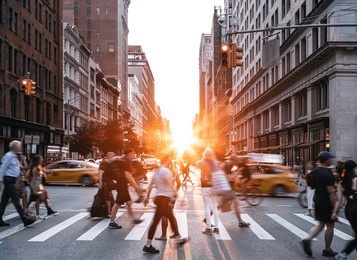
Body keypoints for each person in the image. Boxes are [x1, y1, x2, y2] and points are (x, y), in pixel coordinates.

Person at [143, 154, 182, 254]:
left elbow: (150, 185)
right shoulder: (166, 171)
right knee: (169, 218)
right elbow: (170, 184)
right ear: (167, 160)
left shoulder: (156, 171)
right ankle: (177, 237)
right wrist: (176, 194)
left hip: (159, 198)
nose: (170, 161)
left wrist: (147, 197)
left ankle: (148, 244)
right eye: (169, 160)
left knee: (163, 219)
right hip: (165, 198)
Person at [301, 151, 337, 257]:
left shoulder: (315, 171)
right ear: (326, 160)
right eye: (330, 159)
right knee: (330, 225)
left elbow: (311, 184)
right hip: (326, 202)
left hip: (318, 200)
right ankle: (327, 249)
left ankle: (308, 240)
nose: (332, 160)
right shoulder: (327, 173)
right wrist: (334, 206)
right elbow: (331, 192)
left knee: (321, 224)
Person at [0, 140, 36, 227]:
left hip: (12, 180)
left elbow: (22, 168)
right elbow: (2, 168)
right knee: (16, 200)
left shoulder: (14, 157)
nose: (20, 148)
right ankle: (25, 219)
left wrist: (23, 161)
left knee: (4, 202)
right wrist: (0, 181)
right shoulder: (9, 156)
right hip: (8, 180)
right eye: (19, 146)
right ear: (15, 147)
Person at [108, 148, 143, 229]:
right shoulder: (125, 163)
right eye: (133, 153)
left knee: (129, 203)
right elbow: (128, 176)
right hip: (122, 186)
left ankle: (134, 219)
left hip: (121, 185)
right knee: (117, 204)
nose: (134, 155)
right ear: (129, 154)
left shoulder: (123, 161)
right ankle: (112, 222)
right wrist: (136, 187)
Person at [333, 160, 357, 260]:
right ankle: (343, 253)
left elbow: (338, 200)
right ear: (353, 168)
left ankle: (343, 254)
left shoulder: (341, 183)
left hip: (349, 211)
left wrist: (335, 212)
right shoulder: (355, 179)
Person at [155, 160, 181, 240]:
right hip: (172, 195)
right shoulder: (174, 171)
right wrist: (175, 191)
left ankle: (163, 235)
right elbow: (179, 183)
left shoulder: (163, 172)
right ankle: (176, 233)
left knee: (164, 215)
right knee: (170, 214)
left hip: (165, 195)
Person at [196, 147, 219, 235]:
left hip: (205, 186)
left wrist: (204, 158)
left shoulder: (202, 162)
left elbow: (197, 163)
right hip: (214, 186)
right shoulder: (216, 162)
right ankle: (216, 228)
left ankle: (209, 228)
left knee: (207, 207)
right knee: (215, 207)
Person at [222, 155, 249, 227]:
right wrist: (237, 173)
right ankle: (240, 222)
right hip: (227, 189)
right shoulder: (227, 166)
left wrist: (235, 173)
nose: (236, 163)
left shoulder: (228, 165)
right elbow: (229, 179)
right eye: (236, 161)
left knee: (234, 204)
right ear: (233, 160)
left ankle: (240, 221)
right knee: (221, 205)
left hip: (229, 188)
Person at [98, 152, 116, 216]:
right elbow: (100, 173)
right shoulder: (105, 163)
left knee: (110, 198)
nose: (114, 157)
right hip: (104, 183)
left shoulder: (109, 163)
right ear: (109, 156)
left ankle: (108, 211)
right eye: (112, 156)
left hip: (108, 183)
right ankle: (108, 212)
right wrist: (100, 183)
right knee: (107, 198)